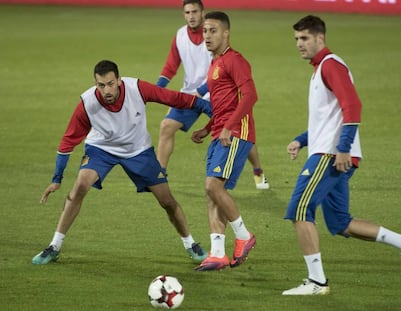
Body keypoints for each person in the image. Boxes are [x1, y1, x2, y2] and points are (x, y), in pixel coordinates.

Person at [282, 15, 401, 295]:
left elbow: (352, 105)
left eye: (304, 38)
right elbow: (327, 117)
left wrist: (343, 147)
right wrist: (301, 139)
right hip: (330, 151)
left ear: (320, 38)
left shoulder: (331, 65)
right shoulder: (320, 68)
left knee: (299, 209)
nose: (299, 44)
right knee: (342, 223)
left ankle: (317, 282)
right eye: (296, 39)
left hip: (331, 155)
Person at [32, 60, 210, 265]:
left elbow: (173, 98)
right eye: (100, 85)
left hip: (138, 150)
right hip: (101, 149)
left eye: (110, 84)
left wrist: (204, 106)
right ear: (95, 83)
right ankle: (54, 246)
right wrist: (57, 178)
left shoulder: (137, 88)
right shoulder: (87, 103)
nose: (106, 90)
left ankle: (190, 244)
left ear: (119, 80)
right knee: (80, 185)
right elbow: (67, 141)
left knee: (167, 201)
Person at [156, 0, 269, 190]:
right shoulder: (180, 36)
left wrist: (200, 92)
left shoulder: (215, 39)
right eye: (187, 12)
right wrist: (158, 90)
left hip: (213, 96)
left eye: (194, 12)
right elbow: (170, 66)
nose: (191, 16)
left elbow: (220, 75)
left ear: (202, 13)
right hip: (191, 95)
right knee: (166, 126)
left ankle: (257, 171)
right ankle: (159, 174)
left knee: (238, 133)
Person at [190, 11, 257, 271]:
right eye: (205, 31)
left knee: (213, 186)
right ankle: (217, 253)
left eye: (213, 31)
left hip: (236, 133)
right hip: (220, 133)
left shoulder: (235, 60)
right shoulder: (214, 63)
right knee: (211, 193)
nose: (207, 35)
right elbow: (223, 104)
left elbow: (250, 96)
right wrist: (208, 128)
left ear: (226, 33)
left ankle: (244, 236)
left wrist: (228, 127)